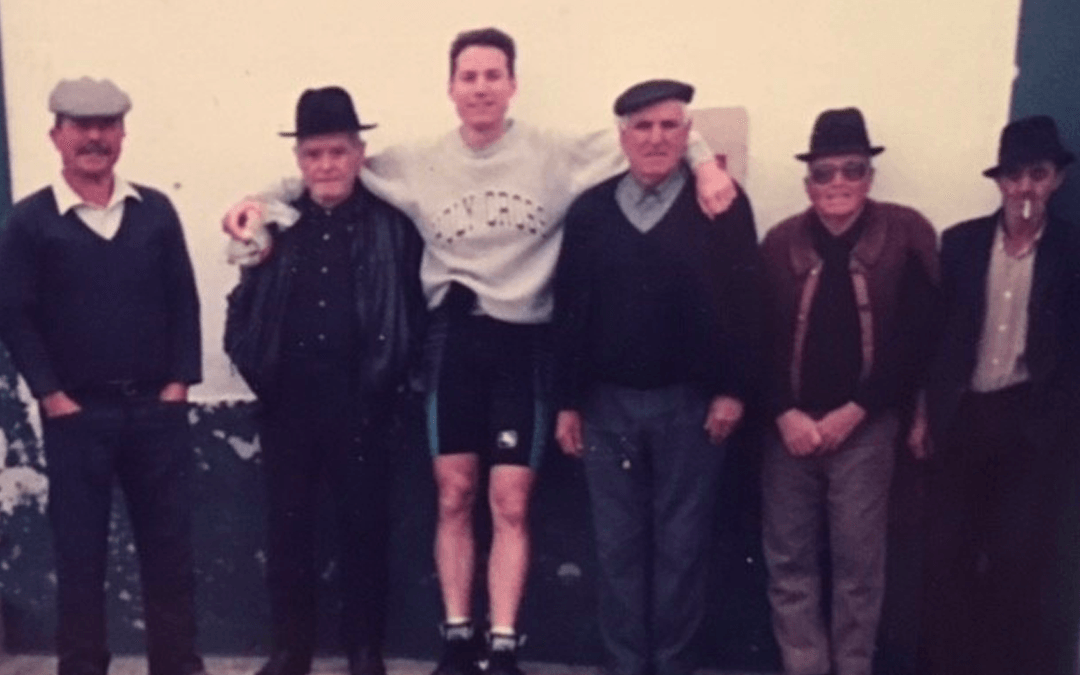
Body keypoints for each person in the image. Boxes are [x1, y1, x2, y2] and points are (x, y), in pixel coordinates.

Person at [222, 28, 737, 675]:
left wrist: (707, 162)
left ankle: (503, 643)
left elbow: (653, 131)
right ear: (451, 88)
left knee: (512, 500)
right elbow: (329, 168)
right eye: (469, 76)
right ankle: (458, 639)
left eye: (494, 74)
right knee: (454, 493)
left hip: (525, 339)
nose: (482, 87)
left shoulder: (557, 151)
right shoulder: (417, 160)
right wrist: (257, 201)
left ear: (513, 84)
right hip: (455, 337)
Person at [552, 79, 762, 675]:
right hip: (607, 407)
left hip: (691, 409)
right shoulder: (591, 211)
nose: (656, 138)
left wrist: (732, 390)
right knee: (617, 548)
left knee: (682, 549)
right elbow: (569, 311)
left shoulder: (719, 205)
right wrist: (567, 402)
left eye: (670, 126)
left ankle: (672, 664)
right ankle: (624, 664)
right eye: (642, 127)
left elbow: (748, 301)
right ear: (621, 137)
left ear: (687, 133)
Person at [0, 77, 205, 675]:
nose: (94, 137)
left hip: (154, 412)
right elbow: (14, 316)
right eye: (80, 126)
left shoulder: (155, 211)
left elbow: (184, 301)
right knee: (81, 559)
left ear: (121, 134)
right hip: (77, 418)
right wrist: (52, 395)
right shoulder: (30, 223)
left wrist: (177, 386)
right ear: (56, 136)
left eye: (106, 125)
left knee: (169, 555)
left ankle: (177, 667)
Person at [223, 87, 424, 675]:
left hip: (365, 404)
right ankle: (291, 652)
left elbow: (415, 303)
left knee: (365, 533)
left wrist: (392, 377)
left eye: (338, 152)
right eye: (314, 154)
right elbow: (243, 302)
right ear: (299, 161)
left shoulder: (392, 225)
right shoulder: (276, 225)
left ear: (360, 154)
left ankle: (365, 652)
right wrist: (258, 367)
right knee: (288, 537)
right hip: (289, 406)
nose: (327, 165)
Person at [758, 108, 938, 675]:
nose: (838, 183)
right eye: (825, 172)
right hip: (789, 430)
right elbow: (755, 336)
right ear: (808, 181)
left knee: (859, 564)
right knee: (789, 561)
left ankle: (854, 667)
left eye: (851, 170)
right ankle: (804, 666)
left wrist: (855, 413)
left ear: (870, 176)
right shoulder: (780, 240)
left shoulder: (907, 233)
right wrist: (785, 415)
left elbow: (916, 339)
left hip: (865, 428)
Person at [915, 115, 1080, 675]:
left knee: (1018, 559)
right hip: (964, 416)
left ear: (1055, 180)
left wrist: (1056, 424)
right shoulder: (961, 244)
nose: (1025, 189)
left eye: (1037, 174)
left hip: (1029, 422)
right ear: (1000, 183)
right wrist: (923, 415)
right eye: (1014, 177)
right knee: (946, 554)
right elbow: (935, 338)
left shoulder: (1071, 252)